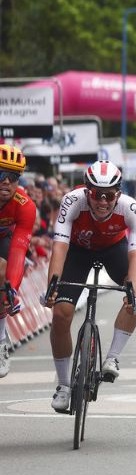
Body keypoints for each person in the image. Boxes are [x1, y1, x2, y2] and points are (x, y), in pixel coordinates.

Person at [42, 160, 136, 412]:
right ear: (86, 191)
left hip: (114, 249)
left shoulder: (132, 208)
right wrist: (52, 286)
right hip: (78, 251)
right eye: (96, 194)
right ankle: (64, 386)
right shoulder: (72, 200)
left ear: (118, 194)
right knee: (61, 314)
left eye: (109, 195)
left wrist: (131, 292)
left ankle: (112, 358)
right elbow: (59, 248)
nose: (102, 201)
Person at [0, 145, 36, 378]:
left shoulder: (25, 206)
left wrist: (11, 289)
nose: (6, 181)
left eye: (13, 177)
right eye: (1, 174)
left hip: (4, 240)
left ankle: (1, 341)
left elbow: (19, 251)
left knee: (3, 274)